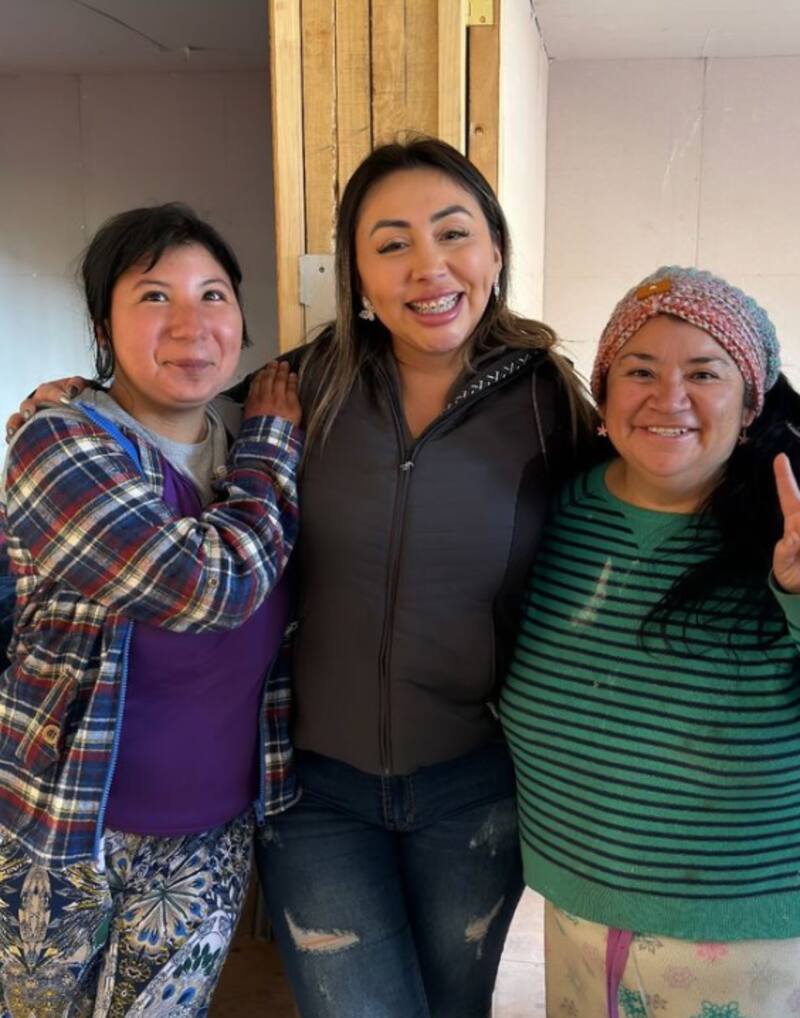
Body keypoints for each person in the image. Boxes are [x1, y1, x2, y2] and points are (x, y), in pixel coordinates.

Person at [8, 138, 593, 1018]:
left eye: (453, 233)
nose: (428, 267)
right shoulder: (301, 389)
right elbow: (176, 426)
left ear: (496, 250)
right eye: (391, 243)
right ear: (356, 273)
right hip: (312, 791)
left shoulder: (548, 399)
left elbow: (652, 474)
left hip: (471, 785)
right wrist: (66, 400)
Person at [0, 203, 302, 1017]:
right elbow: (210, 588)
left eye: (213, 295)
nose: (190, 325)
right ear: (104, 327)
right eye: (154, 296)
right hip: (56, 830)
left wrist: (266, 439)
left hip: (210, 835)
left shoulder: (249, 436)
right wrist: (274, 447)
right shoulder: (56, 441)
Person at [500, 266, 800, 1018]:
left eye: (704, 373)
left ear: (751, 402)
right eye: (640, 370)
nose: (669, 398)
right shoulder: (557, 509)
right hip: (577, 903)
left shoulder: (786, 529)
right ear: (604, 394)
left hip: (738, 931)